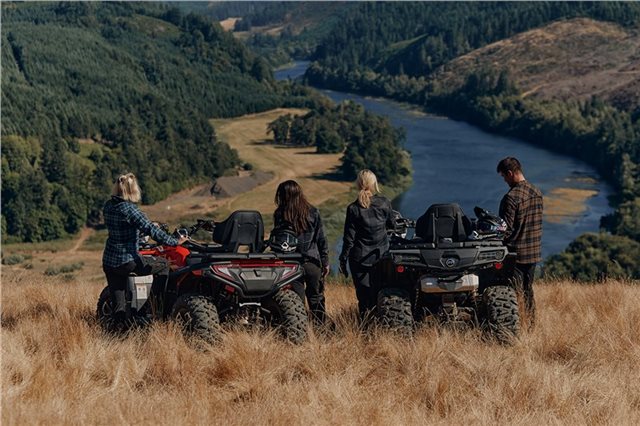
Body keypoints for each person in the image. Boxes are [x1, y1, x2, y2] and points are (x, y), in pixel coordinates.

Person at [102, 173, 187, 330]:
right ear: (132, 190)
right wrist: (175, 241)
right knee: (163, 265)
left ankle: (118, 331)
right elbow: (151, 231)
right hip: (127, 260)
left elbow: (122, 226)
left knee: (118, 302)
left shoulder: (108, 206)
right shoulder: (131, 210)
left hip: (109, 261)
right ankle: (152, 307)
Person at [339, 170, 394, 321]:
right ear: (374, 184)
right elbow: (392, 226)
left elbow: (349, 239)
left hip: (359, 258)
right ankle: (382, 325)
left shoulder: (353, 208)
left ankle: (365, 326)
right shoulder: (384, 203)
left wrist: (343, 259)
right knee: (381, 293)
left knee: (364, 297)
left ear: (358, 184)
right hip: (381, 257)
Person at [273, 180, 329, 325]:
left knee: (297, 300)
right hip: (312, 262)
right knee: (316, 297)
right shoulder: (313, 212)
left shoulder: (280, 214)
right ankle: (320, 327)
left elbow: (279, 242)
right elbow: (321, 239)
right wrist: (325, 262)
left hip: (290, 264)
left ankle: (300, 328)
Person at [497, 157, 543, 327]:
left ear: (510, 173)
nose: (504, 180)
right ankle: (531, 324)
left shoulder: (511, 198)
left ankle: (515, 325)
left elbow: (506, 230)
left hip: (515, 253)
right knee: (528, 290)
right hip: (533, 252)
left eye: (504, 176)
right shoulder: (537, 192)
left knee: (513, 293)